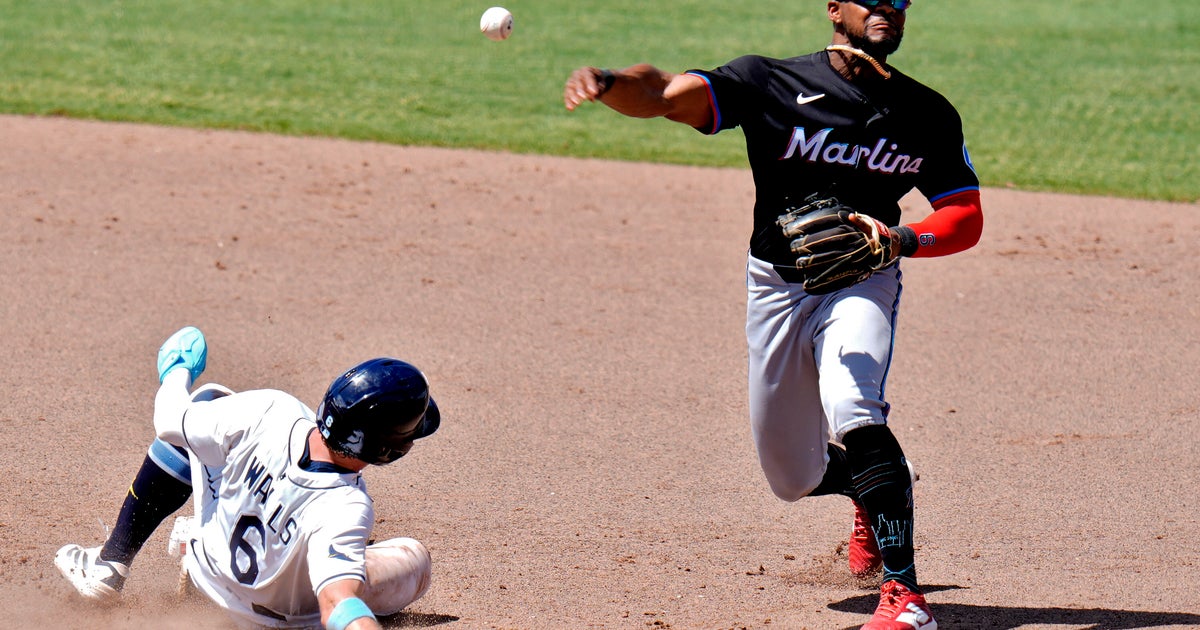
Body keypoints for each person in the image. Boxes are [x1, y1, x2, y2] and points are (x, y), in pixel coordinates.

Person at [564, 1, 982, 628]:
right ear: (835, 8)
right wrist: (610, 84)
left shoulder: (926, 111)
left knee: (853, 403)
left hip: (862, 282)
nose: (887, 6)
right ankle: (868, 488)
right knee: (791, 477)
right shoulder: (769, 81)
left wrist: (904, 240)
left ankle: (904, 595)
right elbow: (663, 95)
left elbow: (964, 216)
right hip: (777, 290)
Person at [54, 326, 441, 630]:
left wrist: (176, 372)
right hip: (267, 622)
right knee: (412, 559)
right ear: (390, 451)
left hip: (210, 574)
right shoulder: (346, 509)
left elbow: (169, 421)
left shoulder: (271, 411)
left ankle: (112, 561)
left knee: (207, 406)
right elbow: (337, 602)